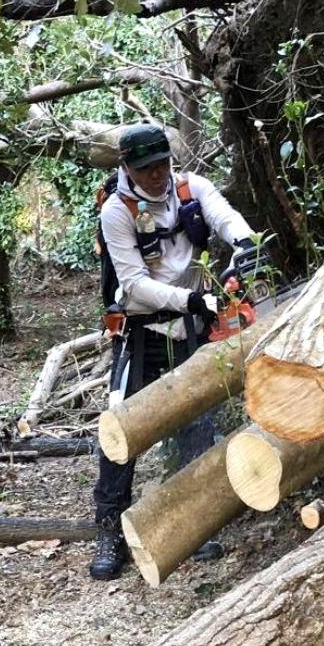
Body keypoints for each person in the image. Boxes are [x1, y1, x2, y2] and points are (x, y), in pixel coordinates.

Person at [90, 123, 267, 580]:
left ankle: (194, 523)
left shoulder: (192, 189)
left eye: (162, 164)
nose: (156, 175)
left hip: (193, 325)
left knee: (196, 422)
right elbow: (133, 283)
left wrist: (245, 248)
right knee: (123, 430)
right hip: (143, 329)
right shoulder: (116, 212)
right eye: (146, 168)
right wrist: (190, 300)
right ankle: (109, 531)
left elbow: (227, 220)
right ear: (127, 167)